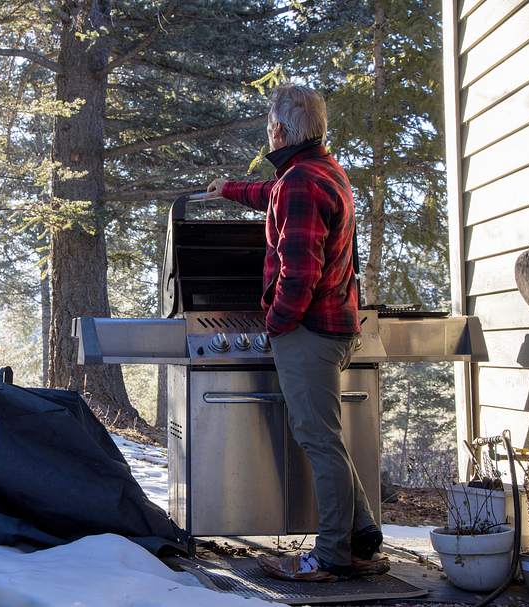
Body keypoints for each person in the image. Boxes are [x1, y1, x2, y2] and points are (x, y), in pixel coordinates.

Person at [207, 84, 387, 582]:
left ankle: (330, 556)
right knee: (327, 437)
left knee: (319, 441)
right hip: (333, 327)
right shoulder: (321, 172)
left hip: (308, 330)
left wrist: (277, 324)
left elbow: (299, 272)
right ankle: (363, 536)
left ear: (280, 129)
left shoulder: (300, 182)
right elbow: (272, 193)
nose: (268, 130)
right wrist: (230, 190)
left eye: (269, 123)